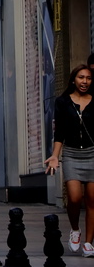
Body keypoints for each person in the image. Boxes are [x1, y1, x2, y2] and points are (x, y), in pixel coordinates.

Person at [45, 64, 94, 256]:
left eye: (88, 78)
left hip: (92, 153)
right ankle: (75, 230)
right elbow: (60, 132)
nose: (85, 82)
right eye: (81, 77)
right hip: (73, 154)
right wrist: (55, 156)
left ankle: (89, 243)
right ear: (74, 79)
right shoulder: (63, 102)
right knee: (74, 198)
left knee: (92, 201)